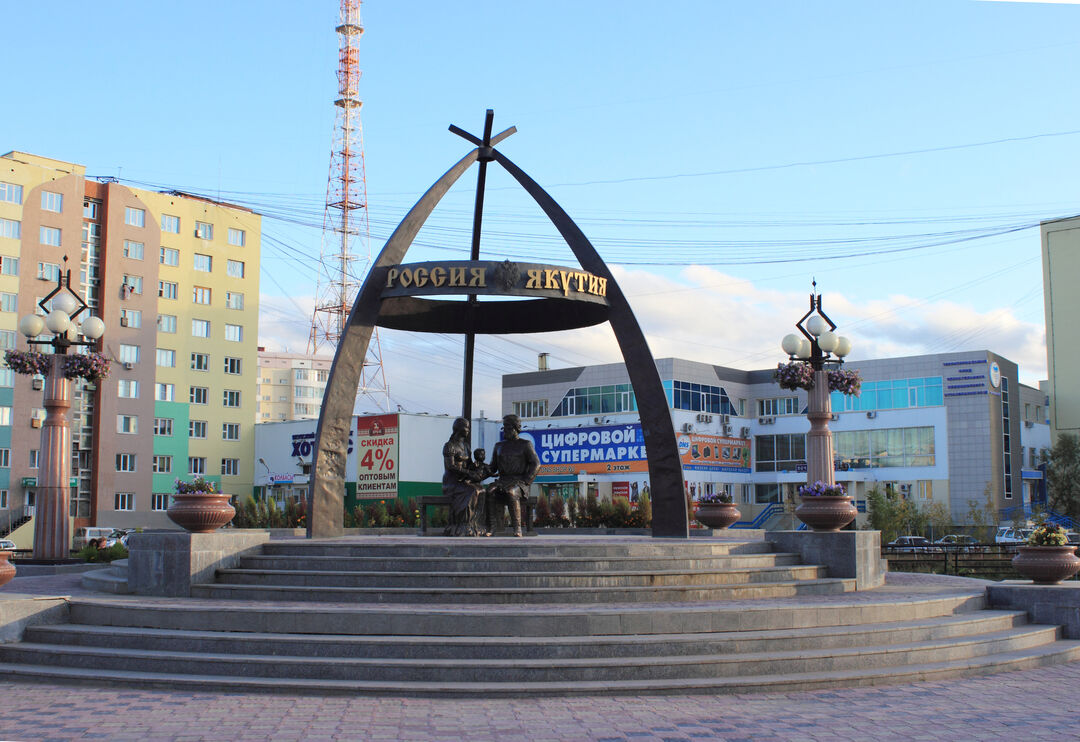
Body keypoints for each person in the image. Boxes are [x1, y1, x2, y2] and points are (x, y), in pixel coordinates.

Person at [485, 414, 540, 537]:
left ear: (515, 428)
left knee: (511, 492)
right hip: (502, 480)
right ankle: (492, 527)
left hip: (519, 482)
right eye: (504, 427)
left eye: (507, 427)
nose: (505, 430)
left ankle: (517, 528)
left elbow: (536, 464)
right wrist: (481, 470)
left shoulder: (526, 444)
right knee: (489, 491)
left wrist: (526, 481)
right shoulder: (499, 446)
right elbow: (492, 467)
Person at [441, 417, 484, 536]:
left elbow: (469, 464)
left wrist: (478, 467)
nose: (468, 430)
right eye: (466, 427)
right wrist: (468, 473)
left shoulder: (466, 446)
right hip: (452, 482)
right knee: (472, 491)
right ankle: (463, 525)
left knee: (481, 490)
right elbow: (451, 466)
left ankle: (474, 523)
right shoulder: (449, 446)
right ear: (459, 428)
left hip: (464, 481)